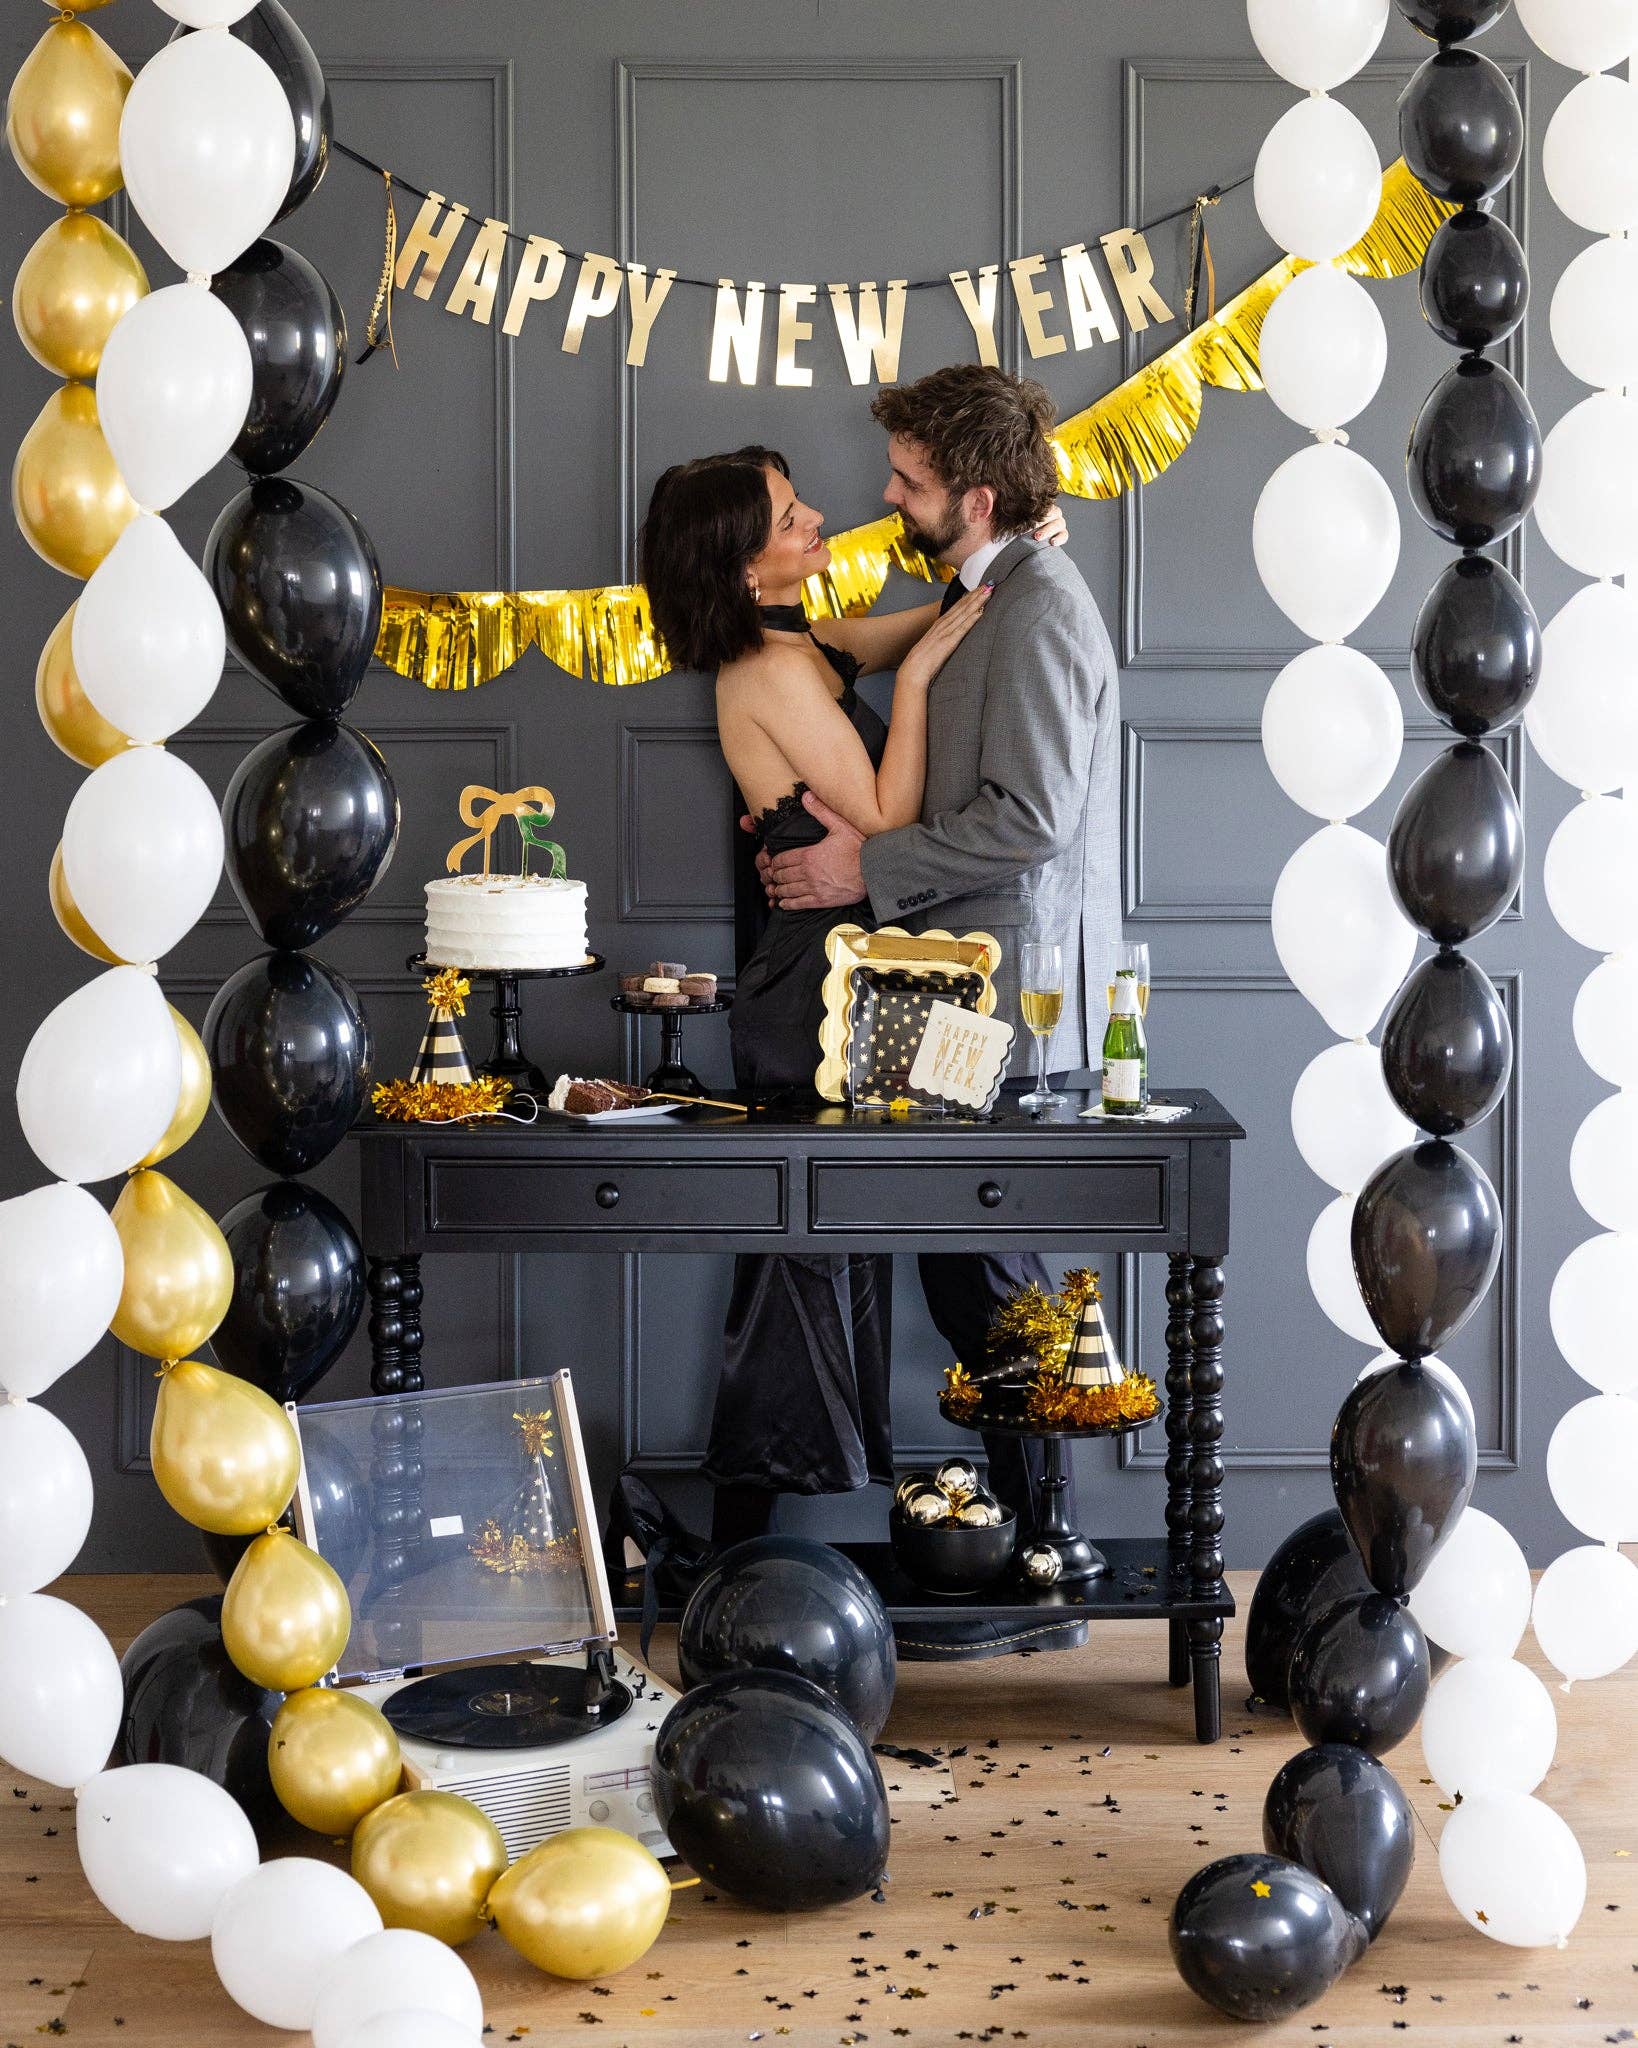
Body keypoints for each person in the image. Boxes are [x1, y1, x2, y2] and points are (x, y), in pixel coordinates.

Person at [751, 365, 1124, 1659]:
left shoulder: (1040, 608)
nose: (887, 497)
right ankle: (1032, 1539)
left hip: (992, 996)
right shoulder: (991, 590)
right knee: (969, 1262)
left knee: (987, 1265)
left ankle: (1048, 1545)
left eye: (908, 482)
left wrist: (864, 868)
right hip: (942, 985)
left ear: (974, 497)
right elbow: (879, 660)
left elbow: (1031, 820)